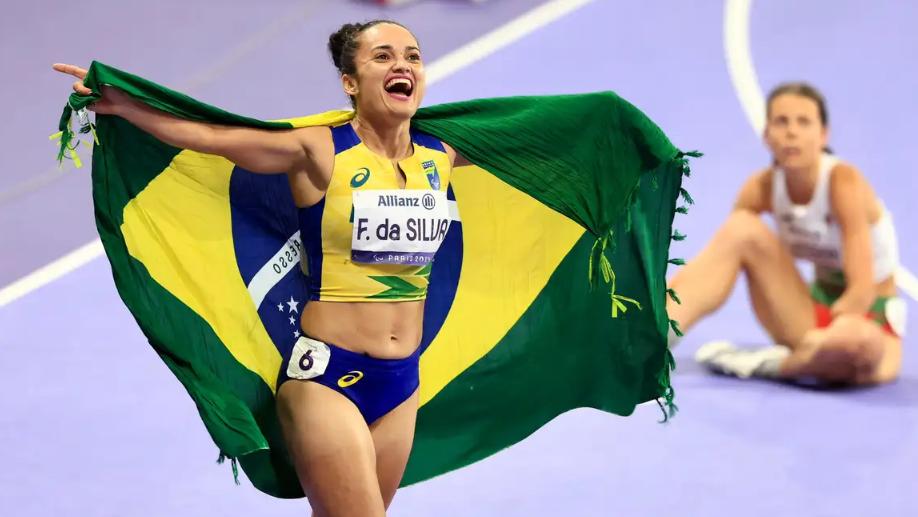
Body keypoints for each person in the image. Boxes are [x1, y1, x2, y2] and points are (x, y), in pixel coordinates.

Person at [56, 19, 469, 517]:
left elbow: (538, 139)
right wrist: (125, 104)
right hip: (326, 382)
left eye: (412, 56)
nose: (402, 64)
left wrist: (593, 125)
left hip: (401, 383)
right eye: (383, 57)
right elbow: (212, 137)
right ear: (350, 82)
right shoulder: (319, 151)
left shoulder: (439, 155)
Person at [667, 82, 905, 385]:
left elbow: (861, 292)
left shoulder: (843, 183)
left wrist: (831, 338)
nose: (792, 132)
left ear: (823, 135)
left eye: (804, 122)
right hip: (811, 317)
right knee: (741, 228)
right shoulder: (761, 188)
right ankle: (652, 340)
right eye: (781, 122)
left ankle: (772, 366)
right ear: (767, 135)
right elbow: (720, 258)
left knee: (856, 345)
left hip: (867, 322)